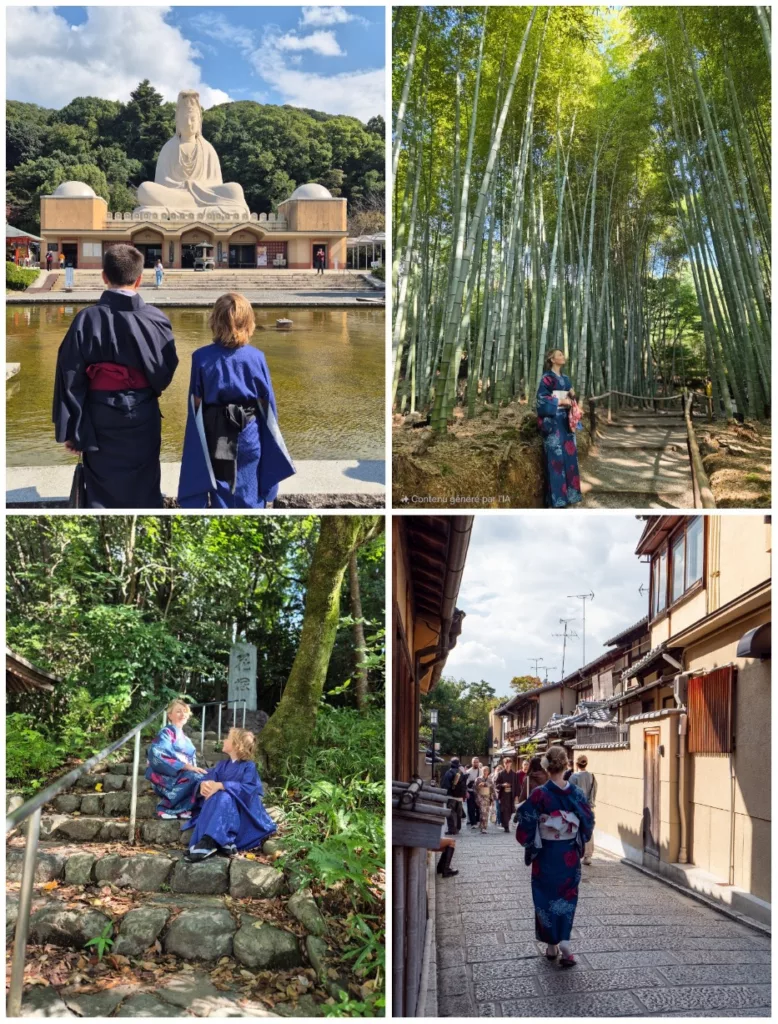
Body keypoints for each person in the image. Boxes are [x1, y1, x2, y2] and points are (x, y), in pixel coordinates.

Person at [52, 244, 178, 508]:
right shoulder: (156, 319)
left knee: (101, 485)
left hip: (100, 416)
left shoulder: (86, 320)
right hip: (144, 412)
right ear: (140, 278)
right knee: (145, 481)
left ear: (104, 276)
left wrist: (74, 429)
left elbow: (70, 377)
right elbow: (165, 372)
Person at [178, 292, 295, 508]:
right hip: (249, 433)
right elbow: (267, 407)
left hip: (219, 434)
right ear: (248, 322)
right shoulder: (256, 357)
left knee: (223, 487)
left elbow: (195, 407)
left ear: (214, 321)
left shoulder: (201, 358)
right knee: (251, 487)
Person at [515, 744, 594, 969]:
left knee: (545, 898)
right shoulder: (576, 794)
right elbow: (588, 821)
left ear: (546, 766)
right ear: (566, 765)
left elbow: (526, 822)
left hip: (546, 855)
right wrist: (577, 831)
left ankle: (551, 946)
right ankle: (565, 945)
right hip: (567, 855)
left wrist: (531, 835)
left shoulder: (539, 794)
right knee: (566, 898)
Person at [183, 728, 277, 862]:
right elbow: (209, 777)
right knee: (215, 794)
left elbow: (249, 789)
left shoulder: (249, 766)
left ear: (236, 745)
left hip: (241, 814)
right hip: (221, 810)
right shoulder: (222, 765)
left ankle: (209, 842)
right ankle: (220, 840)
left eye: (227, 738)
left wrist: (222, 785)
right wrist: (204, 785)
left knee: (224, 795)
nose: (224, 740)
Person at [146, 699, 208, 819]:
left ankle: (181, 809)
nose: (183, 714)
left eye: (185, 711)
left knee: (202, 778)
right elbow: (157, 754)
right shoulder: (166, 733)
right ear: (170, 715)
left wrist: (192, 768)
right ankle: (164, 808)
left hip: (183, 776)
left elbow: (192, 762)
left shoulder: (187, 739)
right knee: (195, 777)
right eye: (178, 711)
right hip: (165, 777)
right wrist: (185, 766)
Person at [536, 349, 582, 508]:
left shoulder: (566, 379)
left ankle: (570, 496)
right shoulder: (546, 378)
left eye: (563, 355)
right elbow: (541, 400)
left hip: (566, 423)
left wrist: (572, 396)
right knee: (555, 461)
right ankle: (557, 500)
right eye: (560, 355)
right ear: (552, 359)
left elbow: (572, 398)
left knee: (569, 460)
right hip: (553, 421)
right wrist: (561, 401)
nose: (563, 357)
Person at [569, 755, 597, 865]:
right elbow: (594, 792)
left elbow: (570, 794)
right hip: (589, 807)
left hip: (577, 808)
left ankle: (576, 853)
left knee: (575, 830)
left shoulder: (573, 777)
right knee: (588, 830)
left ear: (576, 764)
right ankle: (588, 856)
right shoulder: (592, 777)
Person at [441, 757, 467, 835]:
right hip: (459, 797)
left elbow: (445, 784)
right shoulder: (461, 773)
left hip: (451, 796)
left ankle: (452, 830)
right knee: (458, 813)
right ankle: (458, 829)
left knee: (451, 813)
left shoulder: (449, 772)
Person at [494, 756, 519, 833]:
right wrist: (502, 785)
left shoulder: (514, 774)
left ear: (511, 764)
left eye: (509, 763)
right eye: (506, 763)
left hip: (511, 794)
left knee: (510, 811)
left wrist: (516, 796)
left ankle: (506, 823)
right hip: (503, 795)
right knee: (504, 810)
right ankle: (506, 826)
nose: (507, 765)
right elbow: (496, 784)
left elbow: (517, 785)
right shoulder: (500, 773)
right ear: (504, 764)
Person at [474, 765, 496, 835]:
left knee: (486, 813)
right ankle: (483, 827)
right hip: (480, 797)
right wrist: (478, 787)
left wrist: (492, 800)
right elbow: (474, 789)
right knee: (482, 812)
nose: (485, 772)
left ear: (488, 772)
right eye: (484, 771)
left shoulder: (490, 780)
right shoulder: (478, 779)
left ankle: (483, 826)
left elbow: (492, 790)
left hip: (487, 797)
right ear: (482, 771)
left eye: (486, 771)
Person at [465, 756, 481, 828]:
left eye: (477, 762)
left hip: (479, 792)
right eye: (474, 762)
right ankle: (473, 823)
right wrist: (466, 792)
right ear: (472, 763)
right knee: (471, 808)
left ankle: (478, 821)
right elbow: (465, 783)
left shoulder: (481, 771)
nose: (475, 763)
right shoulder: (468, 772)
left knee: (478, 808)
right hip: (470, 791)